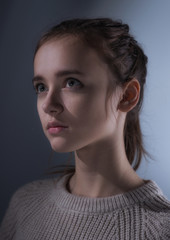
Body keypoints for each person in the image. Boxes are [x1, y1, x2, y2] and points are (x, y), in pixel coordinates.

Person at [0, 18, 170, 240]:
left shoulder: (160, 230)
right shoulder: (25, 204)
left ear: (127, 96)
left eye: (71, 82)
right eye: (41, 87)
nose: (48, 105)